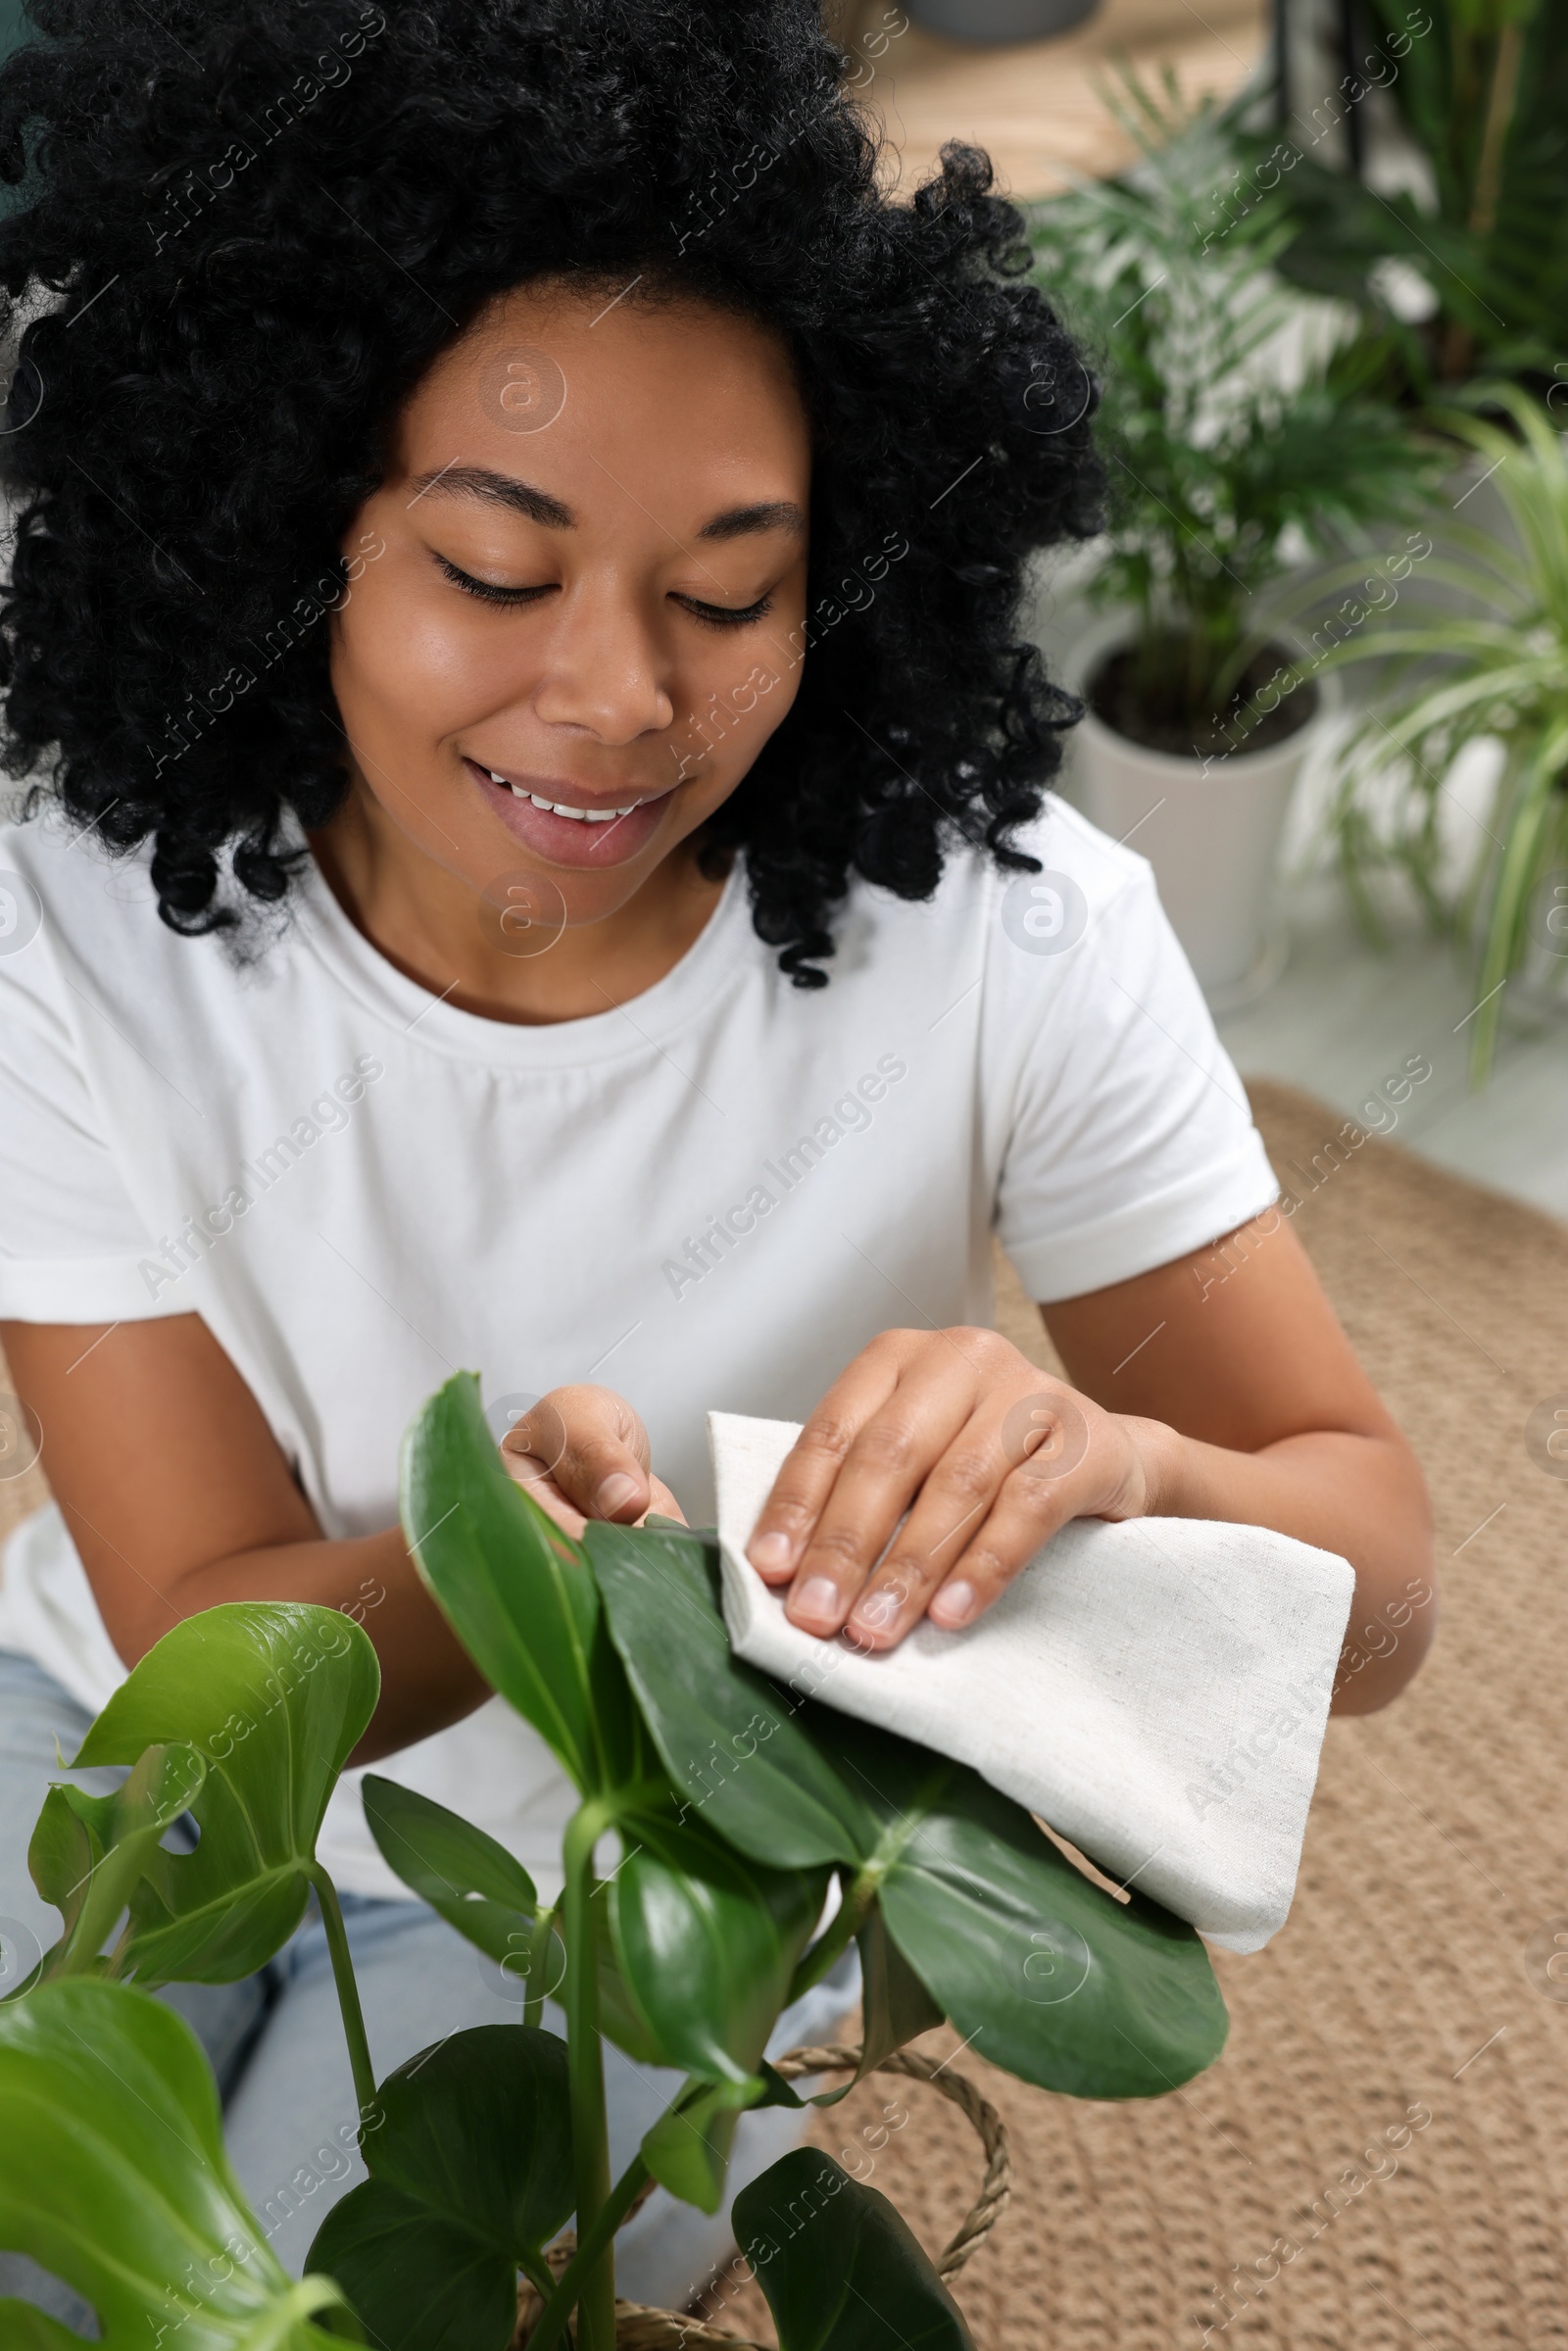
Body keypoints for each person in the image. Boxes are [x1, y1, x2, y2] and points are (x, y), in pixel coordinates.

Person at [0, 0, 1435, 2324]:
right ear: (280, 531)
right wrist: (516, 1564)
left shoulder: (1015, 936)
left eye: (728, 591)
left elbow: (1369, 1598)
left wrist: (1118, 1465)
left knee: (307, 2296)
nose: (619, 697)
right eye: (490, 569)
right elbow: (202, 1624)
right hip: (140, 1716)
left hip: (675, 1827)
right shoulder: (64, 921)